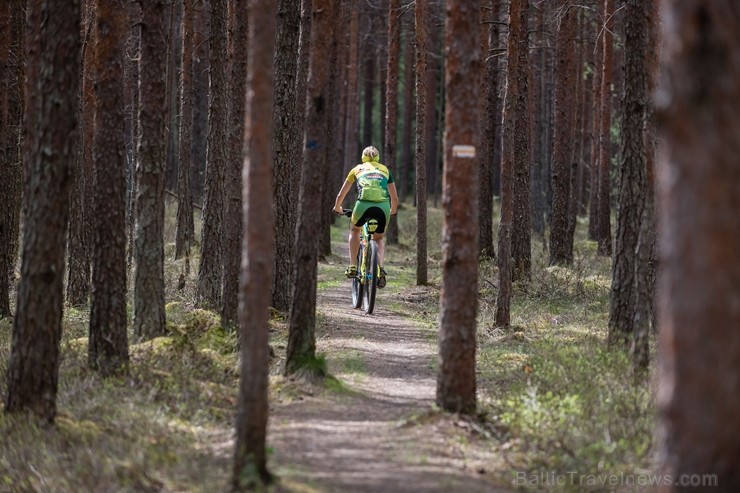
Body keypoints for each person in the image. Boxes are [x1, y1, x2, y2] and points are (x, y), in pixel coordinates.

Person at [333, 146, 398, 288]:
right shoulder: (385, 170)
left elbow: (341, 194)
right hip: (383, 207)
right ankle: (379, 268)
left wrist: (337, 207)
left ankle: (352, 266)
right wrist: (392, 211)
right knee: (379, 238)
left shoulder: (357, 169)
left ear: (363, 157)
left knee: (355, 230)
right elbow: (394, 197)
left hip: (362, 206)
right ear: (378, 157)